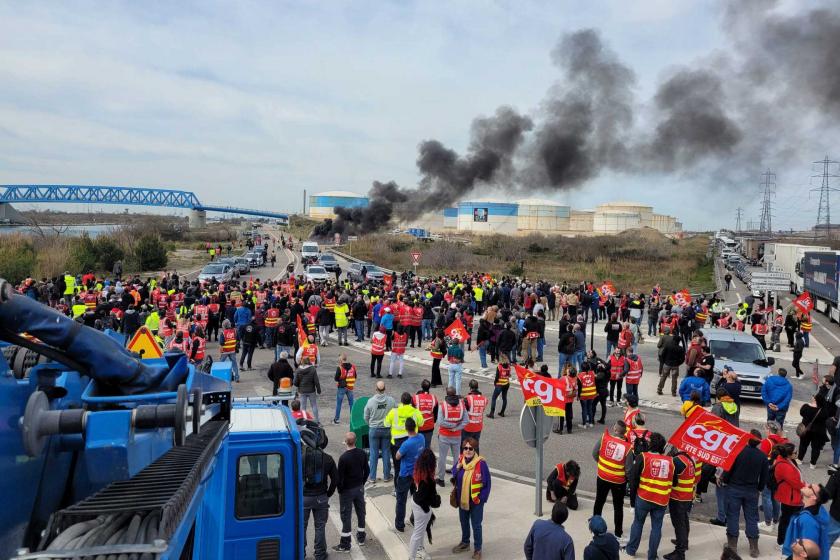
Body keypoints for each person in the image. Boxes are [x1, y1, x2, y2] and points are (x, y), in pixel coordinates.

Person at [624, 432, 678, 560]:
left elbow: (633, 479)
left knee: (638, 523)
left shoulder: (643, 457)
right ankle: (652, 556)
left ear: (650, 445)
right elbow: (674, 482)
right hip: (661, 500)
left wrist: (633, 500)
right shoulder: (671, 461)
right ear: (662, 447)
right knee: (656, 527)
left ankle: (631, 550)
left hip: (643, 498)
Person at [722, 429, 768, 557]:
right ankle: (754, 548)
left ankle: (732, 546)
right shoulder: (762, 457)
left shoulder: (738, 451)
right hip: (752, 491)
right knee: (752, 518)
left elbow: (728, 470)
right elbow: (764, 477)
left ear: (748, 439)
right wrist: (759, 488)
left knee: (732, 516)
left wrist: (725, 480)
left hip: (734, 489)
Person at [451, 436, 491, 560]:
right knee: (463, 522)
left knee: (476, 525)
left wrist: (481, 499)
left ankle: (478, 549)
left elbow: (487, 484)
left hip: (476, 502)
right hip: (462, 499)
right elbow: (454, 474)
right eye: (465, 448)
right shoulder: (461, 461)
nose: (467, 450)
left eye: (470, 448)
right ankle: (465, 542)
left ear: (475, 450)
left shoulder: (481, 464)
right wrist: (456, 468)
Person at [592, 420, 630, 542]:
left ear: (615, 429)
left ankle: (595, 528)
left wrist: (601, 463)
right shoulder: (628, 447)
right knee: (618, 507)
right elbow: (628, 469)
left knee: (599, 501)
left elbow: (594, 453)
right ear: (624, 433)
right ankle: (618, 533)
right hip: (618, 481)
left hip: (602, 476)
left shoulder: (604, 438)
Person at [302, 432, 337, 560]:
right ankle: (320, 554)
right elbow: (335, 480)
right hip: (321, 497)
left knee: (302, 527)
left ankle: (301, 553)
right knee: (320, 526)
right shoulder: (328, 459)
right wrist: (328, 493)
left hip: (304, 497)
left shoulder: (301, 457)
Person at [333, 432, 369, 553]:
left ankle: (345, 544)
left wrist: (340, 490)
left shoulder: (343, 458)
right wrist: (362, 483)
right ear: (355, 440)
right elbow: (367, 471)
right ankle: (361, 537)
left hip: (347, 491)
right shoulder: (362, 453)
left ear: (345, 442)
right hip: (359, 488)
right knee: (361, 512)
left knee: (346, 515)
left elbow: (340, 478)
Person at [384, 392, 424, 488]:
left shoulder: (394, 411)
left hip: (397, 444)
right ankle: (413, 488)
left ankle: (397, 489)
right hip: (412, 441)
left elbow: (386, 423)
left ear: (401, 401)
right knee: (413, 466)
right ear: (411, 401)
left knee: (397, 468)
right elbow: (421, 423)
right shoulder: (415, 411)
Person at [662, 448, 696, 560]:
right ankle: (684, 542)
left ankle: (680, 552)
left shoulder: (678, 460)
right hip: (687, 496)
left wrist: (668, 458)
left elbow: (672, 479)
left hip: (678, 498)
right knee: (684, 521)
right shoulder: (689, 459)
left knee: (679, 525)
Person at [782, 483, 831, 559]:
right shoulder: (816, 510)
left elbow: (807, 552)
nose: (806, 484)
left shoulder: (807, 521)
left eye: (810, 487)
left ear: (813, 497)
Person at [394, 418, 425, 533]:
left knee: (401, 500)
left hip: (405, 474)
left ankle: (399, 524)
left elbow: (397, 456)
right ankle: (415, 519)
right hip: (417, 473)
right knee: (416, 498)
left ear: (406, 429)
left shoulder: (406, 444)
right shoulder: (421, 438)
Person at [409, 449, 441, 560]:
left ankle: (419, 549)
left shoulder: (418, 471)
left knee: (420, 530)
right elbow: (432, 501)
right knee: (418, 533)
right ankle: (411, 557)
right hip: (421, 506)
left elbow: (415, 489)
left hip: (415, 502)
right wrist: (436, 500)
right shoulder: (429, 481)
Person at [363, 381, 396, 486]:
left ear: (376, 389)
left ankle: (372, 477)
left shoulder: (370, 401)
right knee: (386, 452)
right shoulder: (391, 400)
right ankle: (386, 476)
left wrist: (371, 424)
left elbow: (366, 417)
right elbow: (396, 410)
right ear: (385, 389)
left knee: (373, 453)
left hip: (374, 429)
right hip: (386, 429)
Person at [772, 443, 804, 547]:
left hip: (792, 496)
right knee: (786, 521)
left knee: (788, 520)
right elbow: (796, 482)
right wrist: (807, 487)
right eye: (795, 452)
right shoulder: (784, 465)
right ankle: (781, 542)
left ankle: (786, 541)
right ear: (788, 455)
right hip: (790, 498)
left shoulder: (788, 460)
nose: (797, 453)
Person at [437, 386, 468, 486]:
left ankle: (441, 479)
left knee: (442, 457)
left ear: (447, 394)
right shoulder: (462, 405)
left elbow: (440, 422)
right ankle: (456, 478)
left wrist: (450, 426)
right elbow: (466, 421)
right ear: (455, 393)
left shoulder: (443, 405)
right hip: (457, 436)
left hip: (444, 435)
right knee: (457, 458)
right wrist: (456, 427)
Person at [798, 393, 829, 469]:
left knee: (803, 445)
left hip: (806, 430)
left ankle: (799, 459)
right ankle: (813, 464)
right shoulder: (824, 410)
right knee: (816, 448)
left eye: (813, 397)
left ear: (815, 399)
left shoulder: (806, 407)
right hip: (819, 431)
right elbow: (826, 418)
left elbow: (801, 413)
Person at [294, 355, 321, 423]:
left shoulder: (298, 370)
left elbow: (295, 382)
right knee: (314, 405)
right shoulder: (312, 369)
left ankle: (304, 421)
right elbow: (316, 381)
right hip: (311, 390)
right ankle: (317, 420)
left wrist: (299, 385)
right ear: (309, 361)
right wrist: (318, 389)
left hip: (302, 391)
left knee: (303, 407)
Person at [413, 379, 439, 448]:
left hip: (418, 427)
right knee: (427, 446)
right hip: (429, 426)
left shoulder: (415, 398)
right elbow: (436, 414)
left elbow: (412, 412)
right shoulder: (434, 398)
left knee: (417, 446)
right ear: (429, 387)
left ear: (421, 386)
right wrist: (433, 421)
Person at [333, 354, 357, 424]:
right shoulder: (353, 367)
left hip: (342, 387)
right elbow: (355, 376)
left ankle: (337, 419)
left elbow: (336, 378)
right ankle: (352, 419)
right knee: (351, 404)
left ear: (341, 360)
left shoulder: (339, 368)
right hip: (350, 387)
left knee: (339, 403)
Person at [487, 354, 512, 418]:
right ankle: (502, 412)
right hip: (506, 384)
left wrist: (495, 383)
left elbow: (497, 376)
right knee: (504, 398)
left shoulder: (499, 367)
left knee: (494, 398)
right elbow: (509, 375)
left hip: (499, 384)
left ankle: (492, 413)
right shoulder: (509, 366)